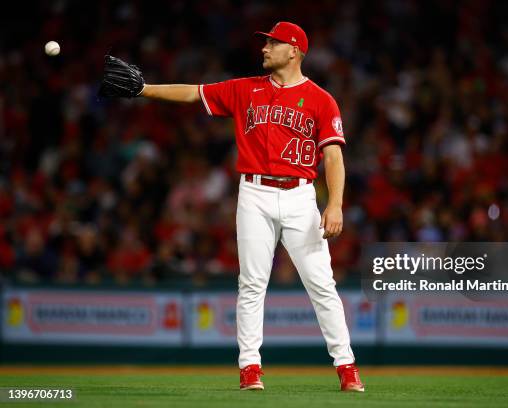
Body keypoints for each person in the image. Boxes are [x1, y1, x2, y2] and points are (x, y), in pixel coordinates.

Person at [99, 21, 364, 392]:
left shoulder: (321, 99)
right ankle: (249, 369)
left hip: (300, 195)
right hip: (253, 192)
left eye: (273, 43)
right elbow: (194, 93)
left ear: (294, 51)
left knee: (321, 283)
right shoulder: (245, 89)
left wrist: (334, 204)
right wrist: (145, 89)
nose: (264, 48)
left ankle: (347, 368)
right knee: (252, 284)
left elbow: (333, 158)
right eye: (266, 42)